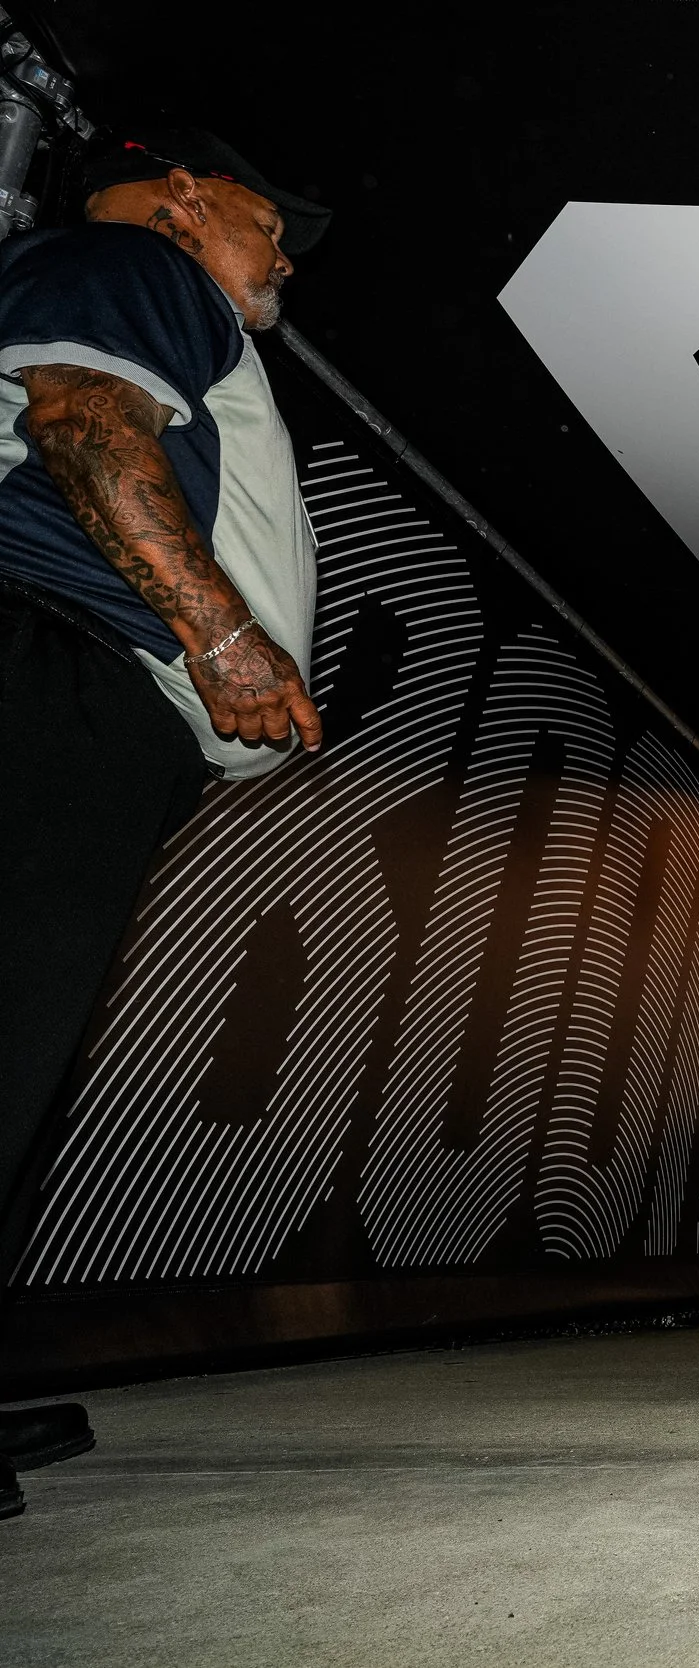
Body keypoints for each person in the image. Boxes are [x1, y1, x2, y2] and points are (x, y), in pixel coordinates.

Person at [0, 128, 328, 1523]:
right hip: (49, 668)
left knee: (24, 1050)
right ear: (191, 201)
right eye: (271, 223)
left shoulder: (161, 287)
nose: (285, 258)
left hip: (73, 689)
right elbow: (77, 414)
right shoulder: (139, 260)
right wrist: (222, 636)